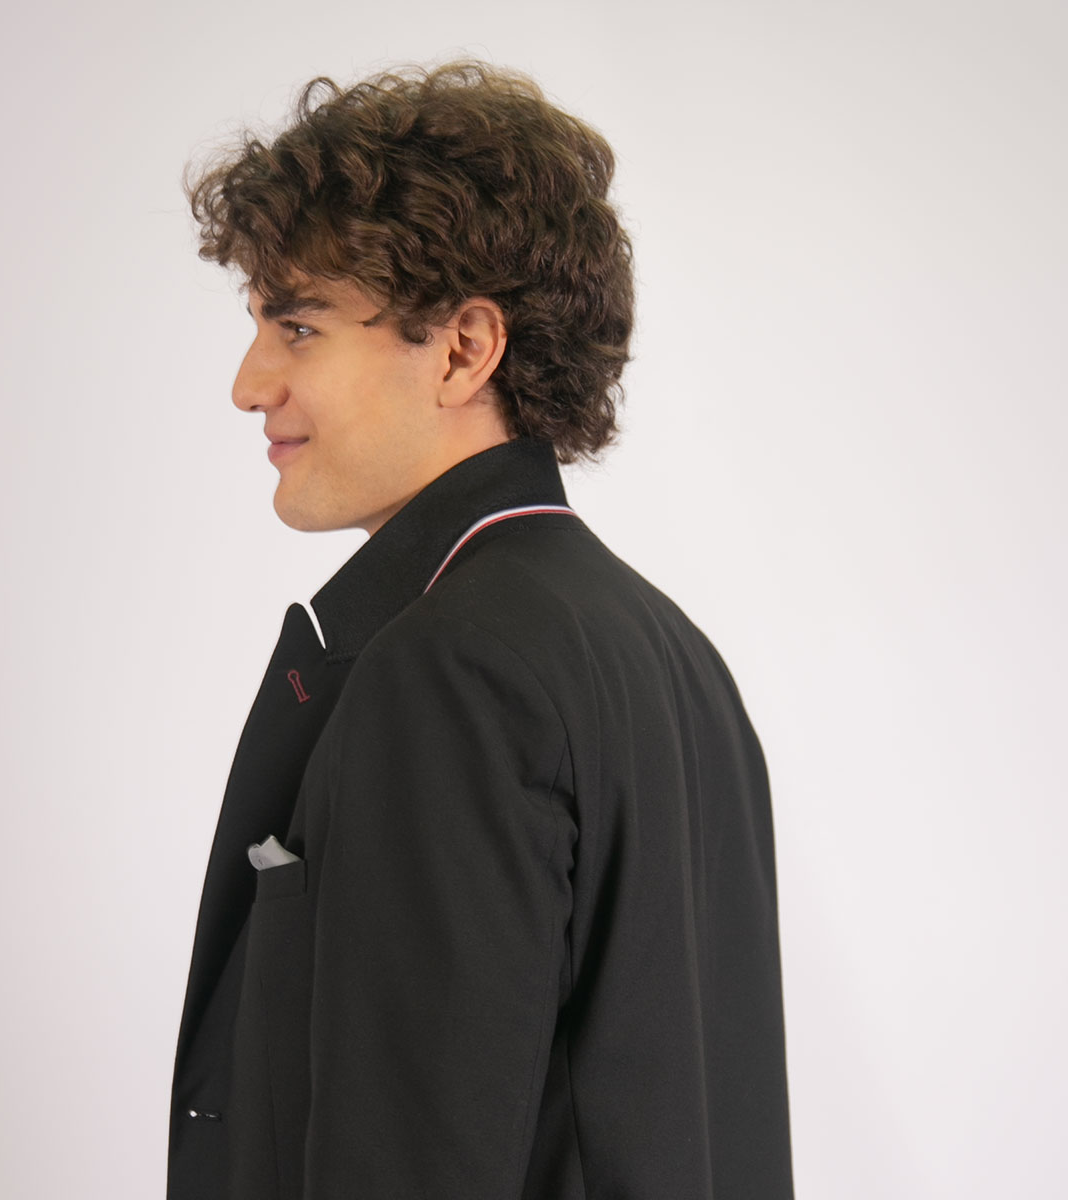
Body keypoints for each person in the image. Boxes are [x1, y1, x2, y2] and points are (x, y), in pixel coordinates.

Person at [167, 61, 793, 1200]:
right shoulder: (671, 651)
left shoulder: (450, 669)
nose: (249, 384)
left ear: (463, 349)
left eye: (298, 326)